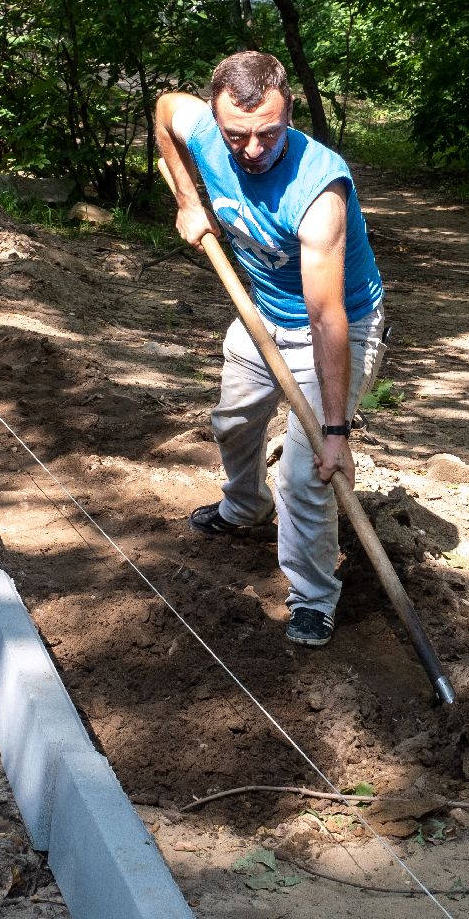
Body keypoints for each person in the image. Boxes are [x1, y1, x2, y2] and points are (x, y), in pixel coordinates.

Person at [155, 50, 386, 648]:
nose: (253, 150)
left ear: (289, 114)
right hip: (260, 311)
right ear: (216, 115)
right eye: (238, 136)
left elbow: (327, 315)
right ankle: (243, 507)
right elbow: (163, 111)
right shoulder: (202, 126)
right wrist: (188, 202)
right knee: (233, 422)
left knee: (307, 475)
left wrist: (334, 431)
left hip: (336, 328)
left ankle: (313, 597)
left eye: (269, 134)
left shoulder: (318, 191)